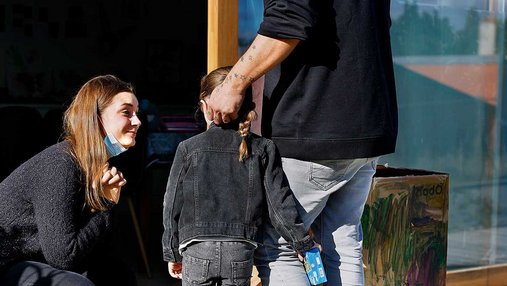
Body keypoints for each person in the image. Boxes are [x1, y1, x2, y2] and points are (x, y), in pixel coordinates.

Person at [207, 1, 398, 285]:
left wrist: (233, 84)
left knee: (281, 245)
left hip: (313, 123)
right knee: (342, 246)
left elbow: (289, 17)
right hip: (365, 123)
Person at [162, 66, 318, 286]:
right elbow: (279, 204)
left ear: (206, 107)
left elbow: (171, 206)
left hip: (197, 248)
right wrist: (302, 243)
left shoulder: (188, 148)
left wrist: (171, 251)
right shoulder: (263, 148)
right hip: (240, 249)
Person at [0, 75, 142, 286]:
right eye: (126, 112)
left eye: (136, 113)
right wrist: (105, 204)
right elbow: (64, 257)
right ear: (95, 118)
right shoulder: (60, 163)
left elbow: (98, 246)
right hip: (8, 261)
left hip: (38, 258)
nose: (137, 121)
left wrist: (102, 205)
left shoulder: (96, 166)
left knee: (117, 273)